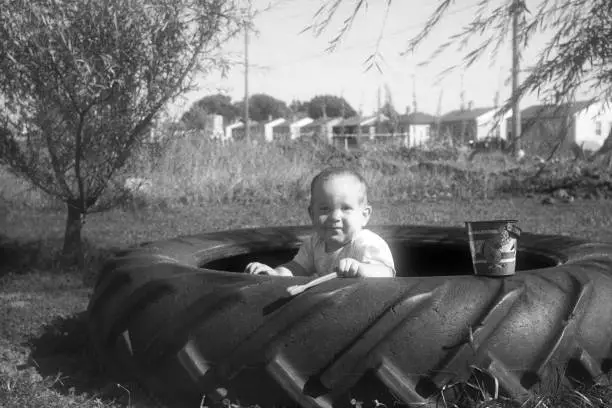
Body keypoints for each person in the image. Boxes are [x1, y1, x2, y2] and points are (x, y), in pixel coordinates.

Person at [245, 167, 396, 278]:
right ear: (312, 214)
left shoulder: (366, 243)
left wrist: (361, 269)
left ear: (364, 215)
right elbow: (297, 268)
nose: (335, 216)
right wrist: (275, 273)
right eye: (325, 209)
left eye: (346, 208)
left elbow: (386, 273)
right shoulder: (314, 244)